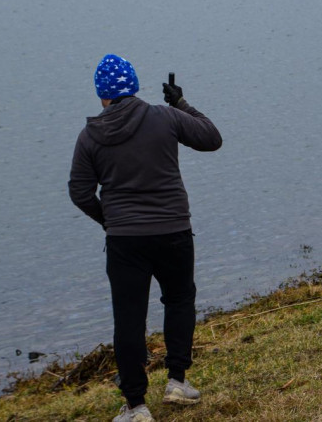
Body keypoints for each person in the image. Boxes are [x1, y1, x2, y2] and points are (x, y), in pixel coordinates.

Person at [68, 55, 222, 422]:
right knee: (180, 299)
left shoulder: (90, 135)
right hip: (173, 231)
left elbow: (79, 191)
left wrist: (109, 219)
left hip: (125, 240)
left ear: (102, 95)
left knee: (129, 319)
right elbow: (212, 138)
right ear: (133, 86)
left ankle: (136, 406)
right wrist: (180, 102)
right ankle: (176, 382)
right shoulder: (164, 116)